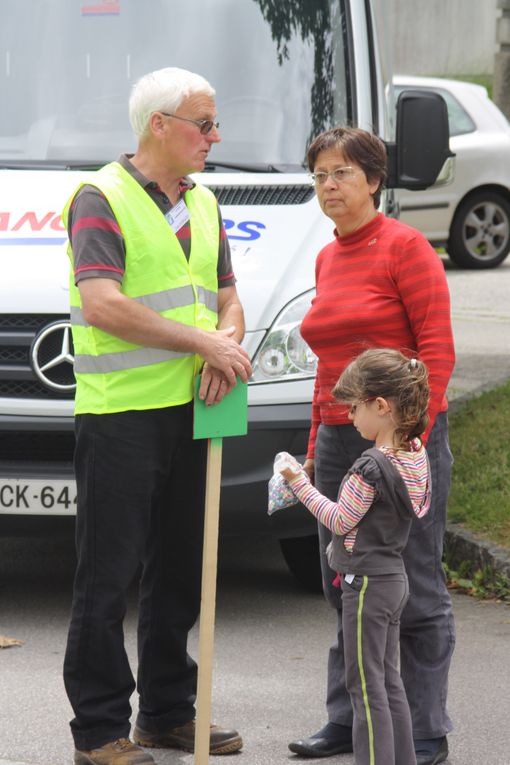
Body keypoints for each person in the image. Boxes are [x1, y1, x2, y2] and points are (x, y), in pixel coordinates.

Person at [62, 67, 252, 765]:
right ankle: (99, 729)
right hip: (122, 417)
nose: (215, 136)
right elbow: (102, 302)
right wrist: (203, 341)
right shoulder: (99, 196)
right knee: (106, 577)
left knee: (182, 569)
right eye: (204, 124)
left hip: (197, 409)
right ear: (159, 126)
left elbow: (228, 294)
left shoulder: (202, 203)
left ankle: (167, 712)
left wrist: (223, 343)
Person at [287, 127, 455, 765]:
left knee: (413, 581)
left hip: (403, 442)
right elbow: (329, 373)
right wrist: (314, 444)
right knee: (344, 581)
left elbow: (437, 352)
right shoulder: (328, 257)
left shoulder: (406, 249)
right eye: (320, 175)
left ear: (375, 180)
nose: (329, 186)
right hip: (340, 438)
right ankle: (350, 717)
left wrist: (406, 440)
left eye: (342, 173)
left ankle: (425, 728)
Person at [278, 348, 432, 765]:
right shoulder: (415, 454)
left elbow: (339, 519)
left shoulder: (368, 468)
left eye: (354, 408)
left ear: (380, 406)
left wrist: (298, 483)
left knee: (364, 687)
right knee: (389, 681)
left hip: (364, 584)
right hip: (394, 579)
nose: (350, 417)